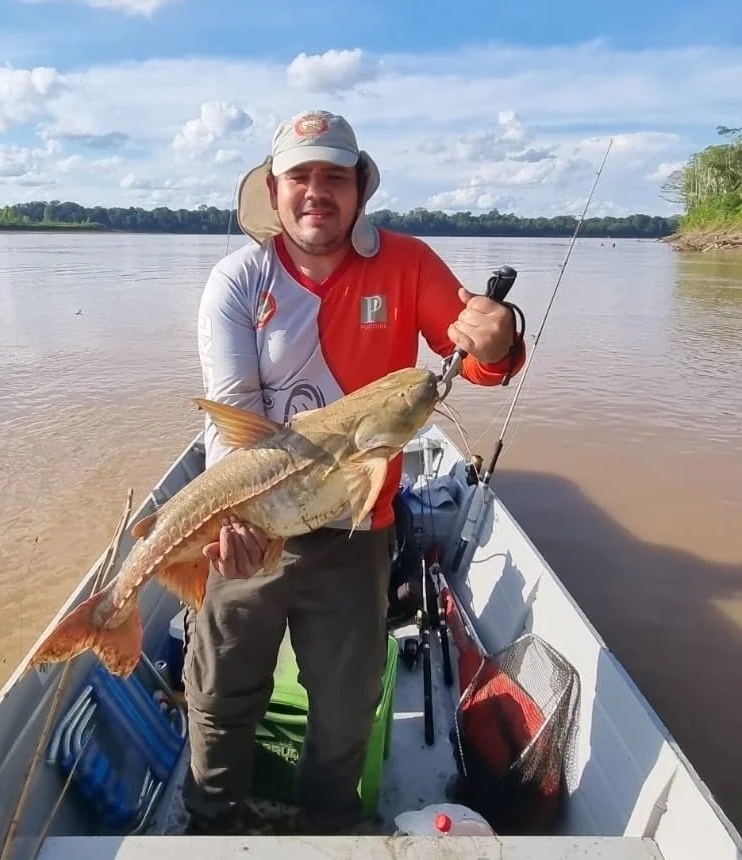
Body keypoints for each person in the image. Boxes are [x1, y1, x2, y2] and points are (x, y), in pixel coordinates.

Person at [182, 109, 526, 835]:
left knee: (345, 706)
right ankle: (212, 823)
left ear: (359, 188)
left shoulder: (409, 264)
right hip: (249, 524)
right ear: (273, 191)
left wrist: (499, 333)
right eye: (300, 177)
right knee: (220, 692)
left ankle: (327, 829)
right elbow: (232, 421)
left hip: (356, 530)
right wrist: (233, 524)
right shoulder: (238, 280)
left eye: (334, 177)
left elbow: (479, 353)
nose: (316, 192)